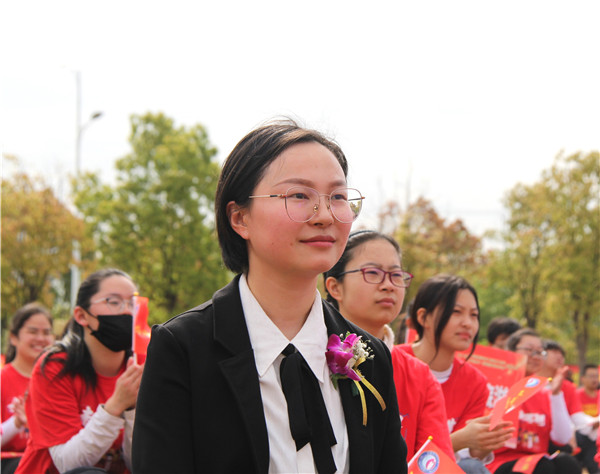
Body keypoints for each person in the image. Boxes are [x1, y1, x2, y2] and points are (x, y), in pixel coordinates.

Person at [132, 120, 407, 474]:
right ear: (239, 218)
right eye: (299, 196)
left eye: (338, 197)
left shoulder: (370, 356)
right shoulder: (184, 350)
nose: (325, 215)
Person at [323, 230, 454, 461]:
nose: (388, 286)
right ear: (335, 287)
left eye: (396, 275)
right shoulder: (308, 357)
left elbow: (436, 463)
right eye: (372, 273)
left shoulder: (419, 376)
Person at [15, 268, 144, 474]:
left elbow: (142, 463)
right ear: (82, 315)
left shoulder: (144, 364)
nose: (127, 311)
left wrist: (132, 410)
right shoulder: (55, 368)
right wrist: (116, 405)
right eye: (114, 302)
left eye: (132, 303)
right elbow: (68, 465)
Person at [397, 274, 514, 473]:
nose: (468, 323)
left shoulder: (475, 382)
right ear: (423, 317)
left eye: (474, 315)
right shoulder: (392, 362)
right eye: (456, 312)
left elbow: (465, 457)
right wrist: (459, 439)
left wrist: (484, 441)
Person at [487, 328, 581, 473]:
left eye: (540, 352)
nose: (535, 357)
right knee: (543, 466)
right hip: (500, 461)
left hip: (536, 460)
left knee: (567, 463)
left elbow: (562, 438)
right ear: (511, 351)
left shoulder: (543, 392)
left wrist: (556, 394)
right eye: (529, 350)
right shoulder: (496, 387)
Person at [1, 303, 54, 474]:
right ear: (13, 337)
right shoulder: (3, 379)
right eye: (33, 332)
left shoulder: (58, 382)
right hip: (11, 463)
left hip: (51, 461)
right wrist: (16, 422)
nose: (41, 338)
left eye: (46, 332)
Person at [576, 364, 599, 474]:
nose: (594, 379)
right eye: (591, 376)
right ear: (583, 379)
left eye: (596, 376)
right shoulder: (576, 395)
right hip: (580, 437)